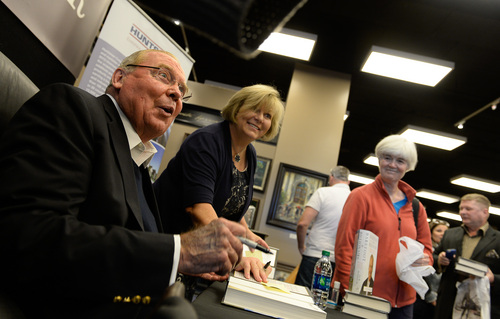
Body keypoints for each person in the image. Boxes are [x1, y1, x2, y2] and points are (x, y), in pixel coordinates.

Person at [0, 49, 247, 319]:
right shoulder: (73, 107)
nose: (176, 94)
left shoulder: (137, 161)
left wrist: (180, 260)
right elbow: (33, 235)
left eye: (181, 89)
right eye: (163, 75)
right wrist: (178, 251)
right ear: (119, 78)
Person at [154, 84, 285, 281]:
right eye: (255, 109)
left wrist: (248, 234)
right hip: (164, 246)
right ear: (238, 107)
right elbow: (199, 209)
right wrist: (238, 257)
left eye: (268, 115)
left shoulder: (250, 154)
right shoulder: (207, 141)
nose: (260, 118)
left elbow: (226, 201)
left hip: (197, 255)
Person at [333, 135, 433, 319]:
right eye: (387, 157)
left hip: (403, 303)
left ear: (408, 166)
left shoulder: (416, 207)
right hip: (365, 298)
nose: (392, 165)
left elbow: (427, 248)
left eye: (400, 161)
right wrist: (351, 292)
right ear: (379, 159)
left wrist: (425, 259)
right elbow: (344, 247)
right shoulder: (361, 197)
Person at [434, 193, 500, 319]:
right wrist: (439, 260)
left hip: (482, 305)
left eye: (468, 209)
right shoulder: (450, 234)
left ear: (485, 212)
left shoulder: (498, 240)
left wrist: (492, 279)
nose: (462, 212)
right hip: (448, 303)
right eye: (461, 208)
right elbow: (432, 257)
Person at [294, 166, 351, 288]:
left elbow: (302, 224)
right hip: (338, 262)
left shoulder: (323, 192)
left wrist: (301, 247)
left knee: (301, 297)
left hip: (315, 255)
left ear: (331, 177)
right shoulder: (354, 198)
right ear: (348, 181)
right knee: (325, 301)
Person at [413, 219, 449, 318]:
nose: (442, 234)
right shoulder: (423, 250)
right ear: (430, 232)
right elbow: (419, 276)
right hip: (422, 298)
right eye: (439, 231)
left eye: (445, 232)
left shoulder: (447, 254)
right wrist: (430, 296)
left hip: (438, 300)